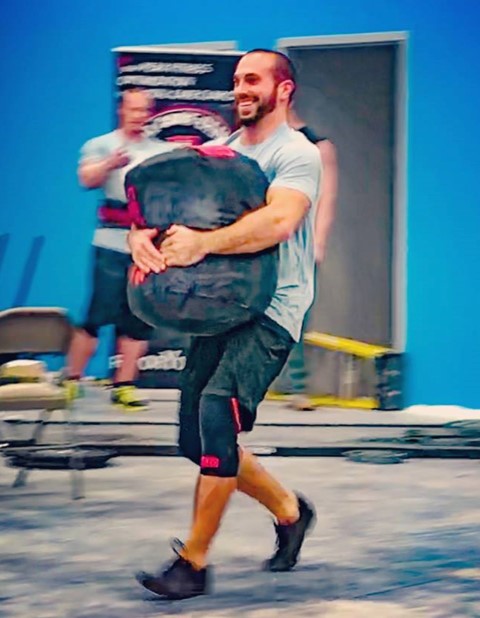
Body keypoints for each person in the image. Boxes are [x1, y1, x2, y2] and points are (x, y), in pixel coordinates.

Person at [129, 49, 322, 599]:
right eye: (237, 80)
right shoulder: (224, 154)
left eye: (253, 79)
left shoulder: (296, 153)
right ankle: (290, 511)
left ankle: (192, 563)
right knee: (198, 441)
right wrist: (141, 237)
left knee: (218, 414)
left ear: (283, 90)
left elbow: (279, 220)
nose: (241, 88)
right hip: (217, 308)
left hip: (273, 310)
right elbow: (172, 217)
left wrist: (204, 244)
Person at [67, 89, 177, 411]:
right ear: (122, 111)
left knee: (138, 317)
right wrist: (110, 164)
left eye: (144, 110)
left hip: (147, 246)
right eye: (134, 109)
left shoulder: (161, 151)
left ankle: (125, 385)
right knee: (96, 313)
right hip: (110, 243)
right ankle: (72, 380)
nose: (139, 116)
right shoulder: (101, 144)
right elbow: (86, 179)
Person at [277, 107, 338, 411]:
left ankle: (297, 388)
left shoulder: (316, 144)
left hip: (298, 243)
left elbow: (326, 196)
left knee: (296, 314)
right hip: (260, 238)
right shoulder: (255, 142)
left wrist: (318, 240)